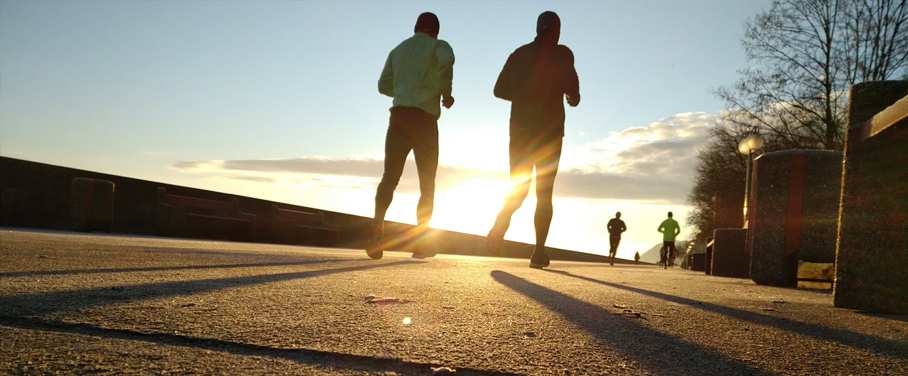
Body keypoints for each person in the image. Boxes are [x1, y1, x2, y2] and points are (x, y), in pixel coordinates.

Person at [486, 11, 581, 269]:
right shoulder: (563, 55)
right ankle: (538, 252)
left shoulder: (519, 54)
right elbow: (574, 93)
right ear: (556, 30)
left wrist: (524, 96)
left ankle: (501, 222)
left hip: (520, 132)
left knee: (520, 187)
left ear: (538, 28)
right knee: (544, 193)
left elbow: (498, 90)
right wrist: (570, 97)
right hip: (550, 133)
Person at [368, 12, 455, 260]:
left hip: (398, 117)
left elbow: (383, 85)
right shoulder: (440, 46)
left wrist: (404, 89)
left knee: (390, 176)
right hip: (424, 121)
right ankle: (421, 243)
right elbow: (446, 62)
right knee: (427, 184)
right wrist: (446, 93)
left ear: (415, 27)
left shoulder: (398, 50)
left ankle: (377, 231)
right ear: (435, 30)